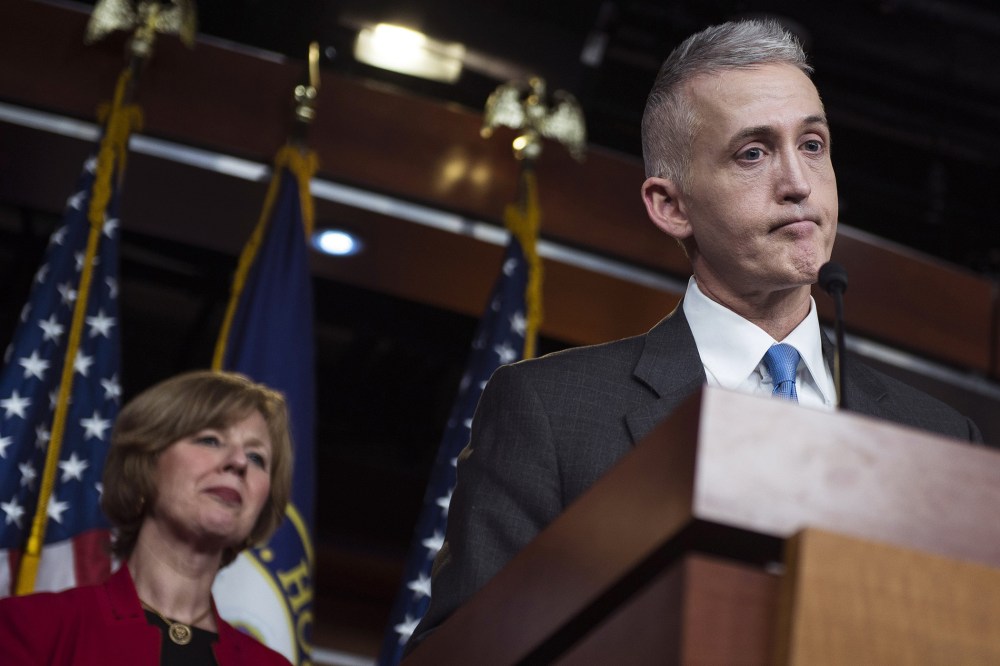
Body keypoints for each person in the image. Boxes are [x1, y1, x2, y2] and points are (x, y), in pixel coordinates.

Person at [406, 18, 982, 650]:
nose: (797, 182)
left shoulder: (939, 437)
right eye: (753, 153)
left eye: (812, 145)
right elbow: (459, 653)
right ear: (670, 206)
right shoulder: (550, 412)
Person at [0, 370, 294, 666]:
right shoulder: (30, 627)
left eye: (257, 458)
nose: (239, 462)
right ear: (146, 465)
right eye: (211, 440)